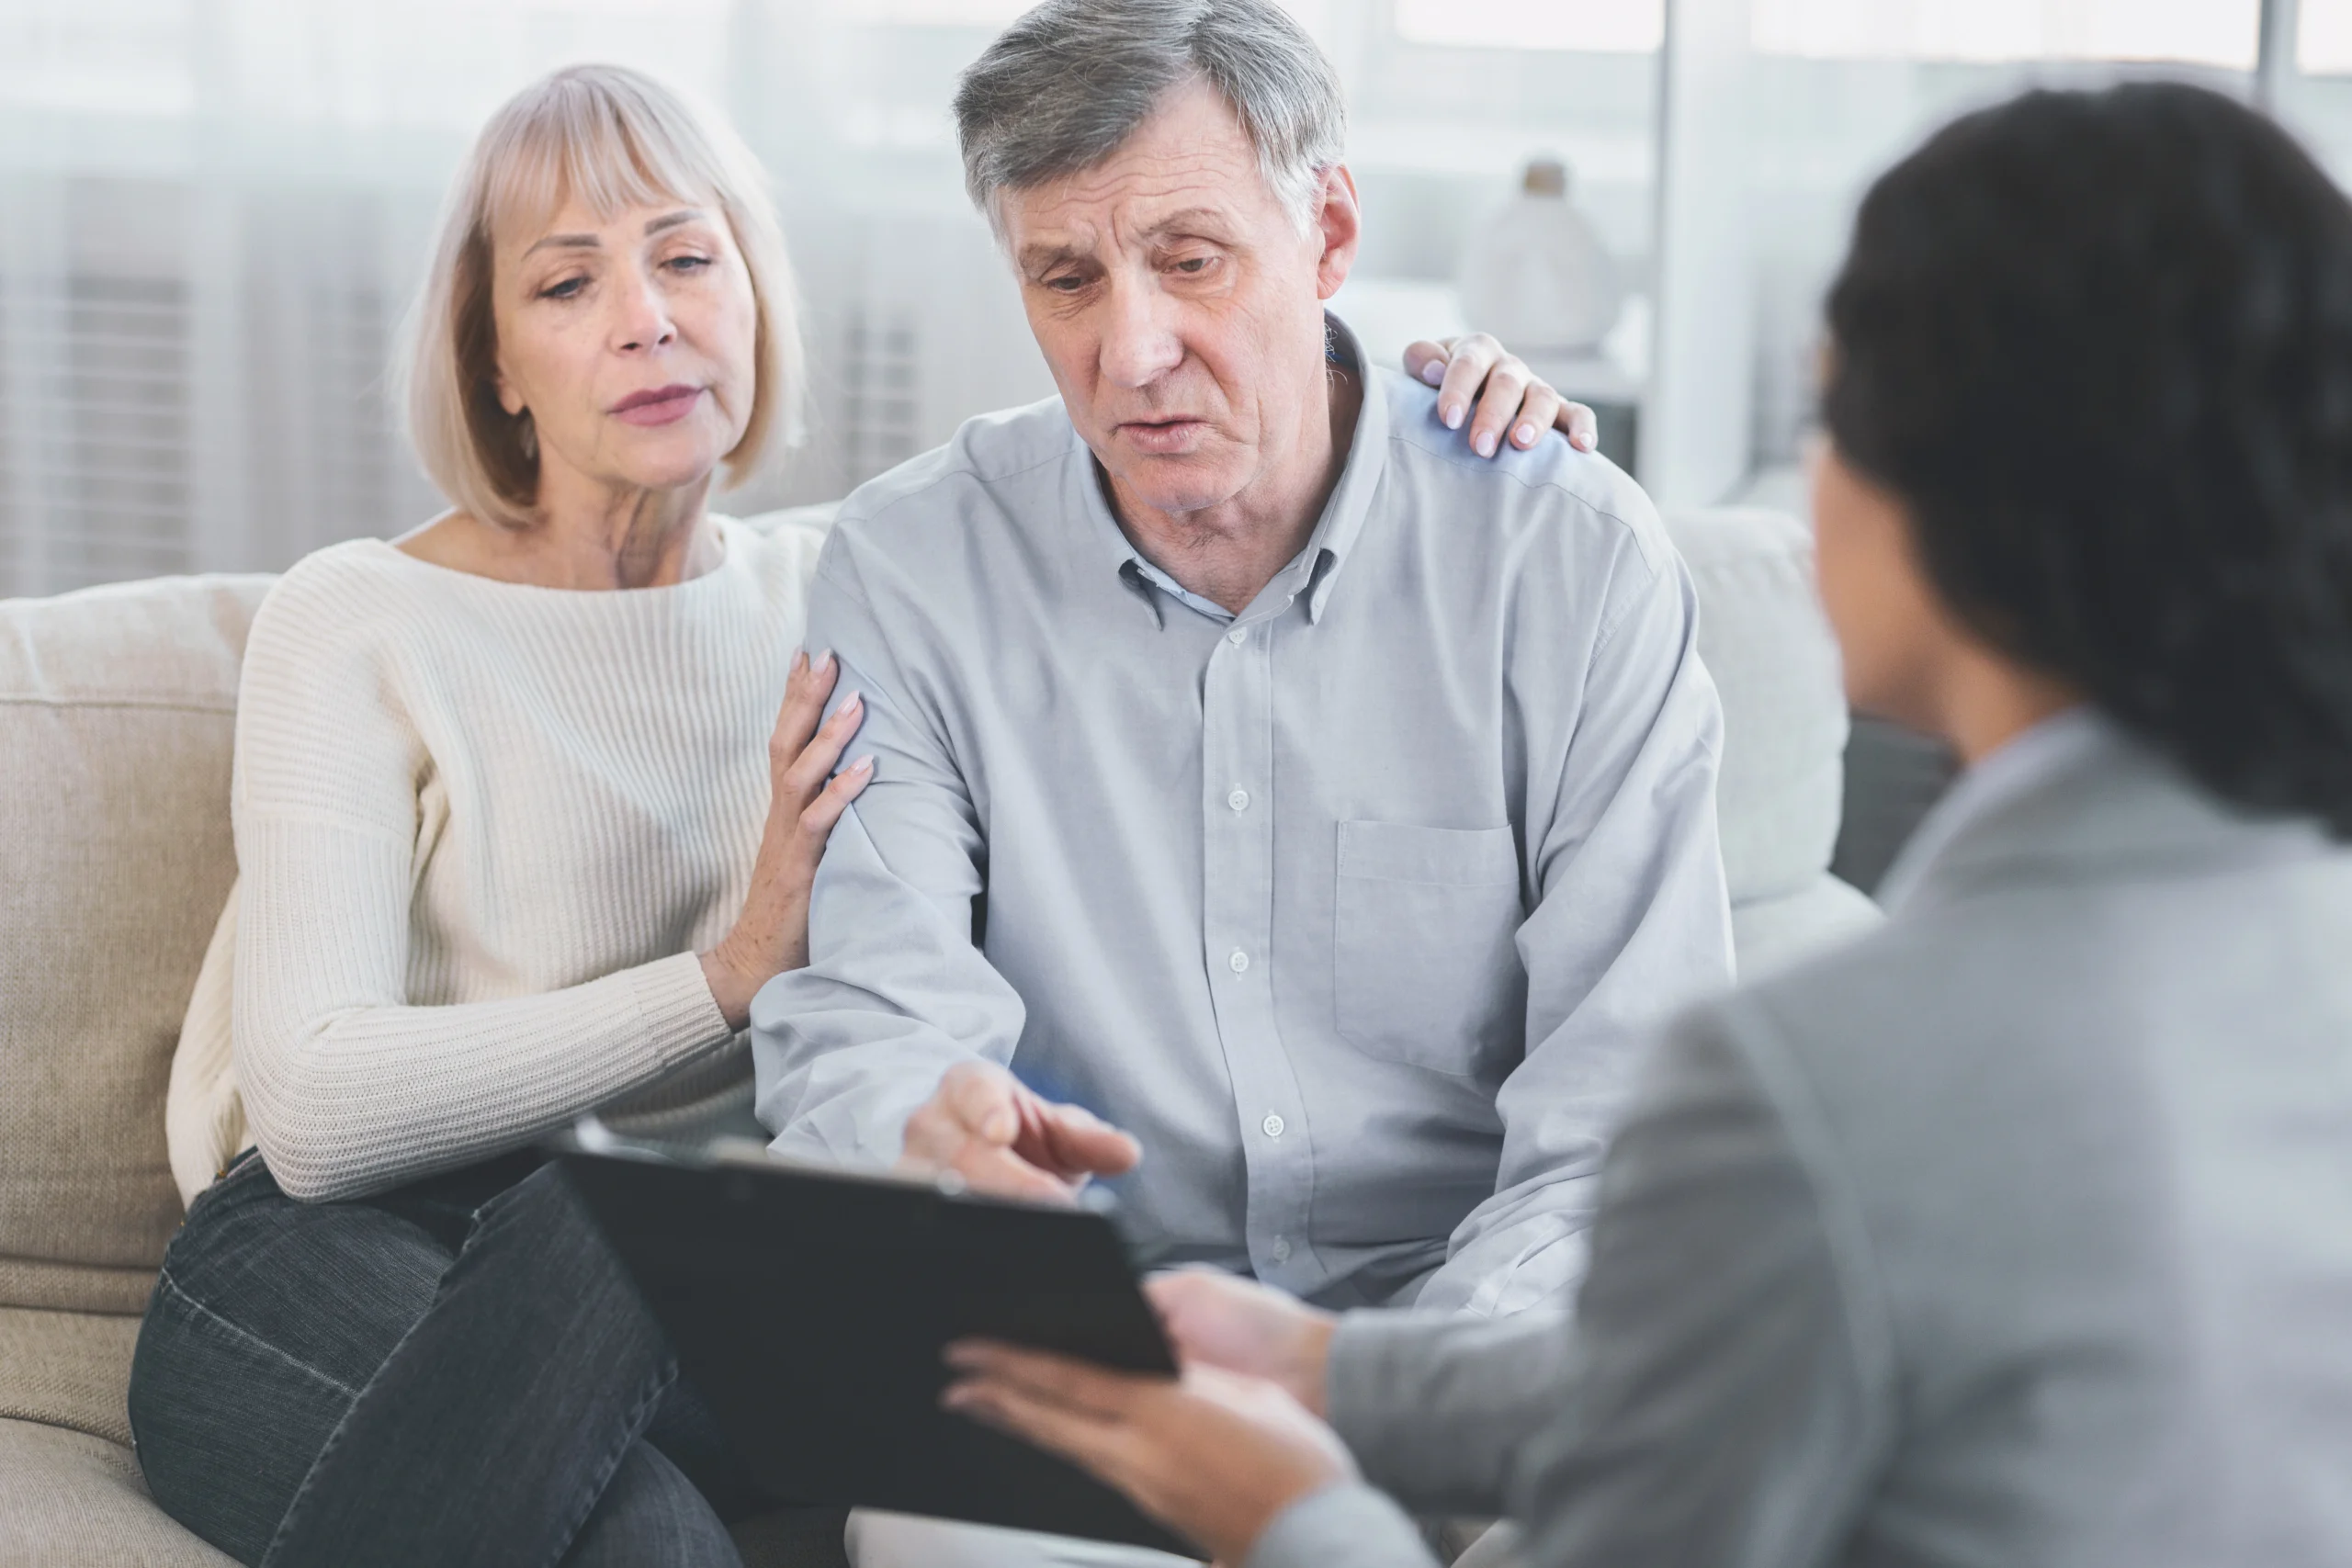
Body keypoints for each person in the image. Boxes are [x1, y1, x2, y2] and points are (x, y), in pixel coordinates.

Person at [124, 59, 1591, 1568]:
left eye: (688, 258)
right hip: (338, 1255)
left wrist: (1428, 402)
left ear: (756, 297)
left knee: (666, 1508)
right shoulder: (359, 617)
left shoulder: (850, 587)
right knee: (625, 1302)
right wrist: (723, 980)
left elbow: (1199, 442)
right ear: (492, 358)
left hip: (681, 1289)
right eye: (567, 283)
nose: (647, 317)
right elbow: (311, 1113)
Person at [936, 80, 2352, 1568]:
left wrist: (1283, 1508)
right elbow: (1756, 1374)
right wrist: (1330, 1375)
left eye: (1826, 412)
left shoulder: (1813, 1092)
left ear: (1965, 497)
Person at [749, 3, 1732, 1559]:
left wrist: (1372, 1399)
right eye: (1065, 278)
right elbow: (870, 1024)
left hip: (1475, 1341)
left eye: (1190, 259)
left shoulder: (1566, 560)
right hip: (1105, 1361)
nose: (1130, 352)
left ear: (1327, 230)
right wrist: (926, 1131)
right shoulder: (913, 569)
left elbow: (1623, 1125)